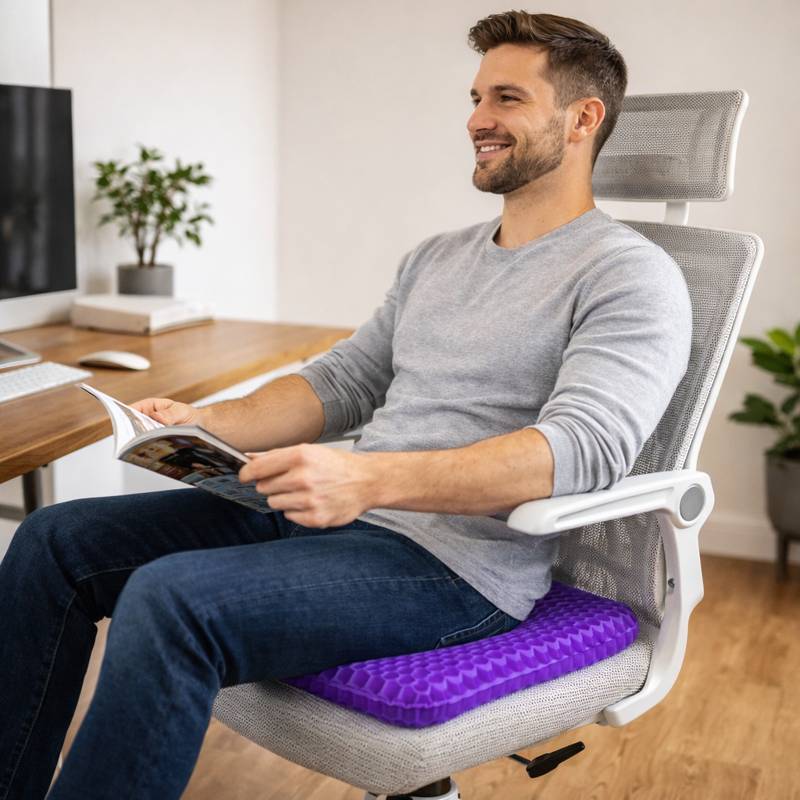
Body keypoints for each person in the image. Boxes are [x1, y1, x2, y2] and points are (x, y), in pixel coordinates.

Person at [0, 10, 692, 800]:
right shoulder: (437, 257)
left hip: (454, 568)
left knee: (171, 598)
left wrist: (366, 480)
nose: (476, 120)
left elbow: (583, 450)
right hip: (338, 518)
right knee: (56, 541)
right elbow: (342, 384)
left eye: (505, 98)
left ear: (582, 119)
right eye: (474, 97)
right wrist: (206, 424)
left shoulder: (629, 275)